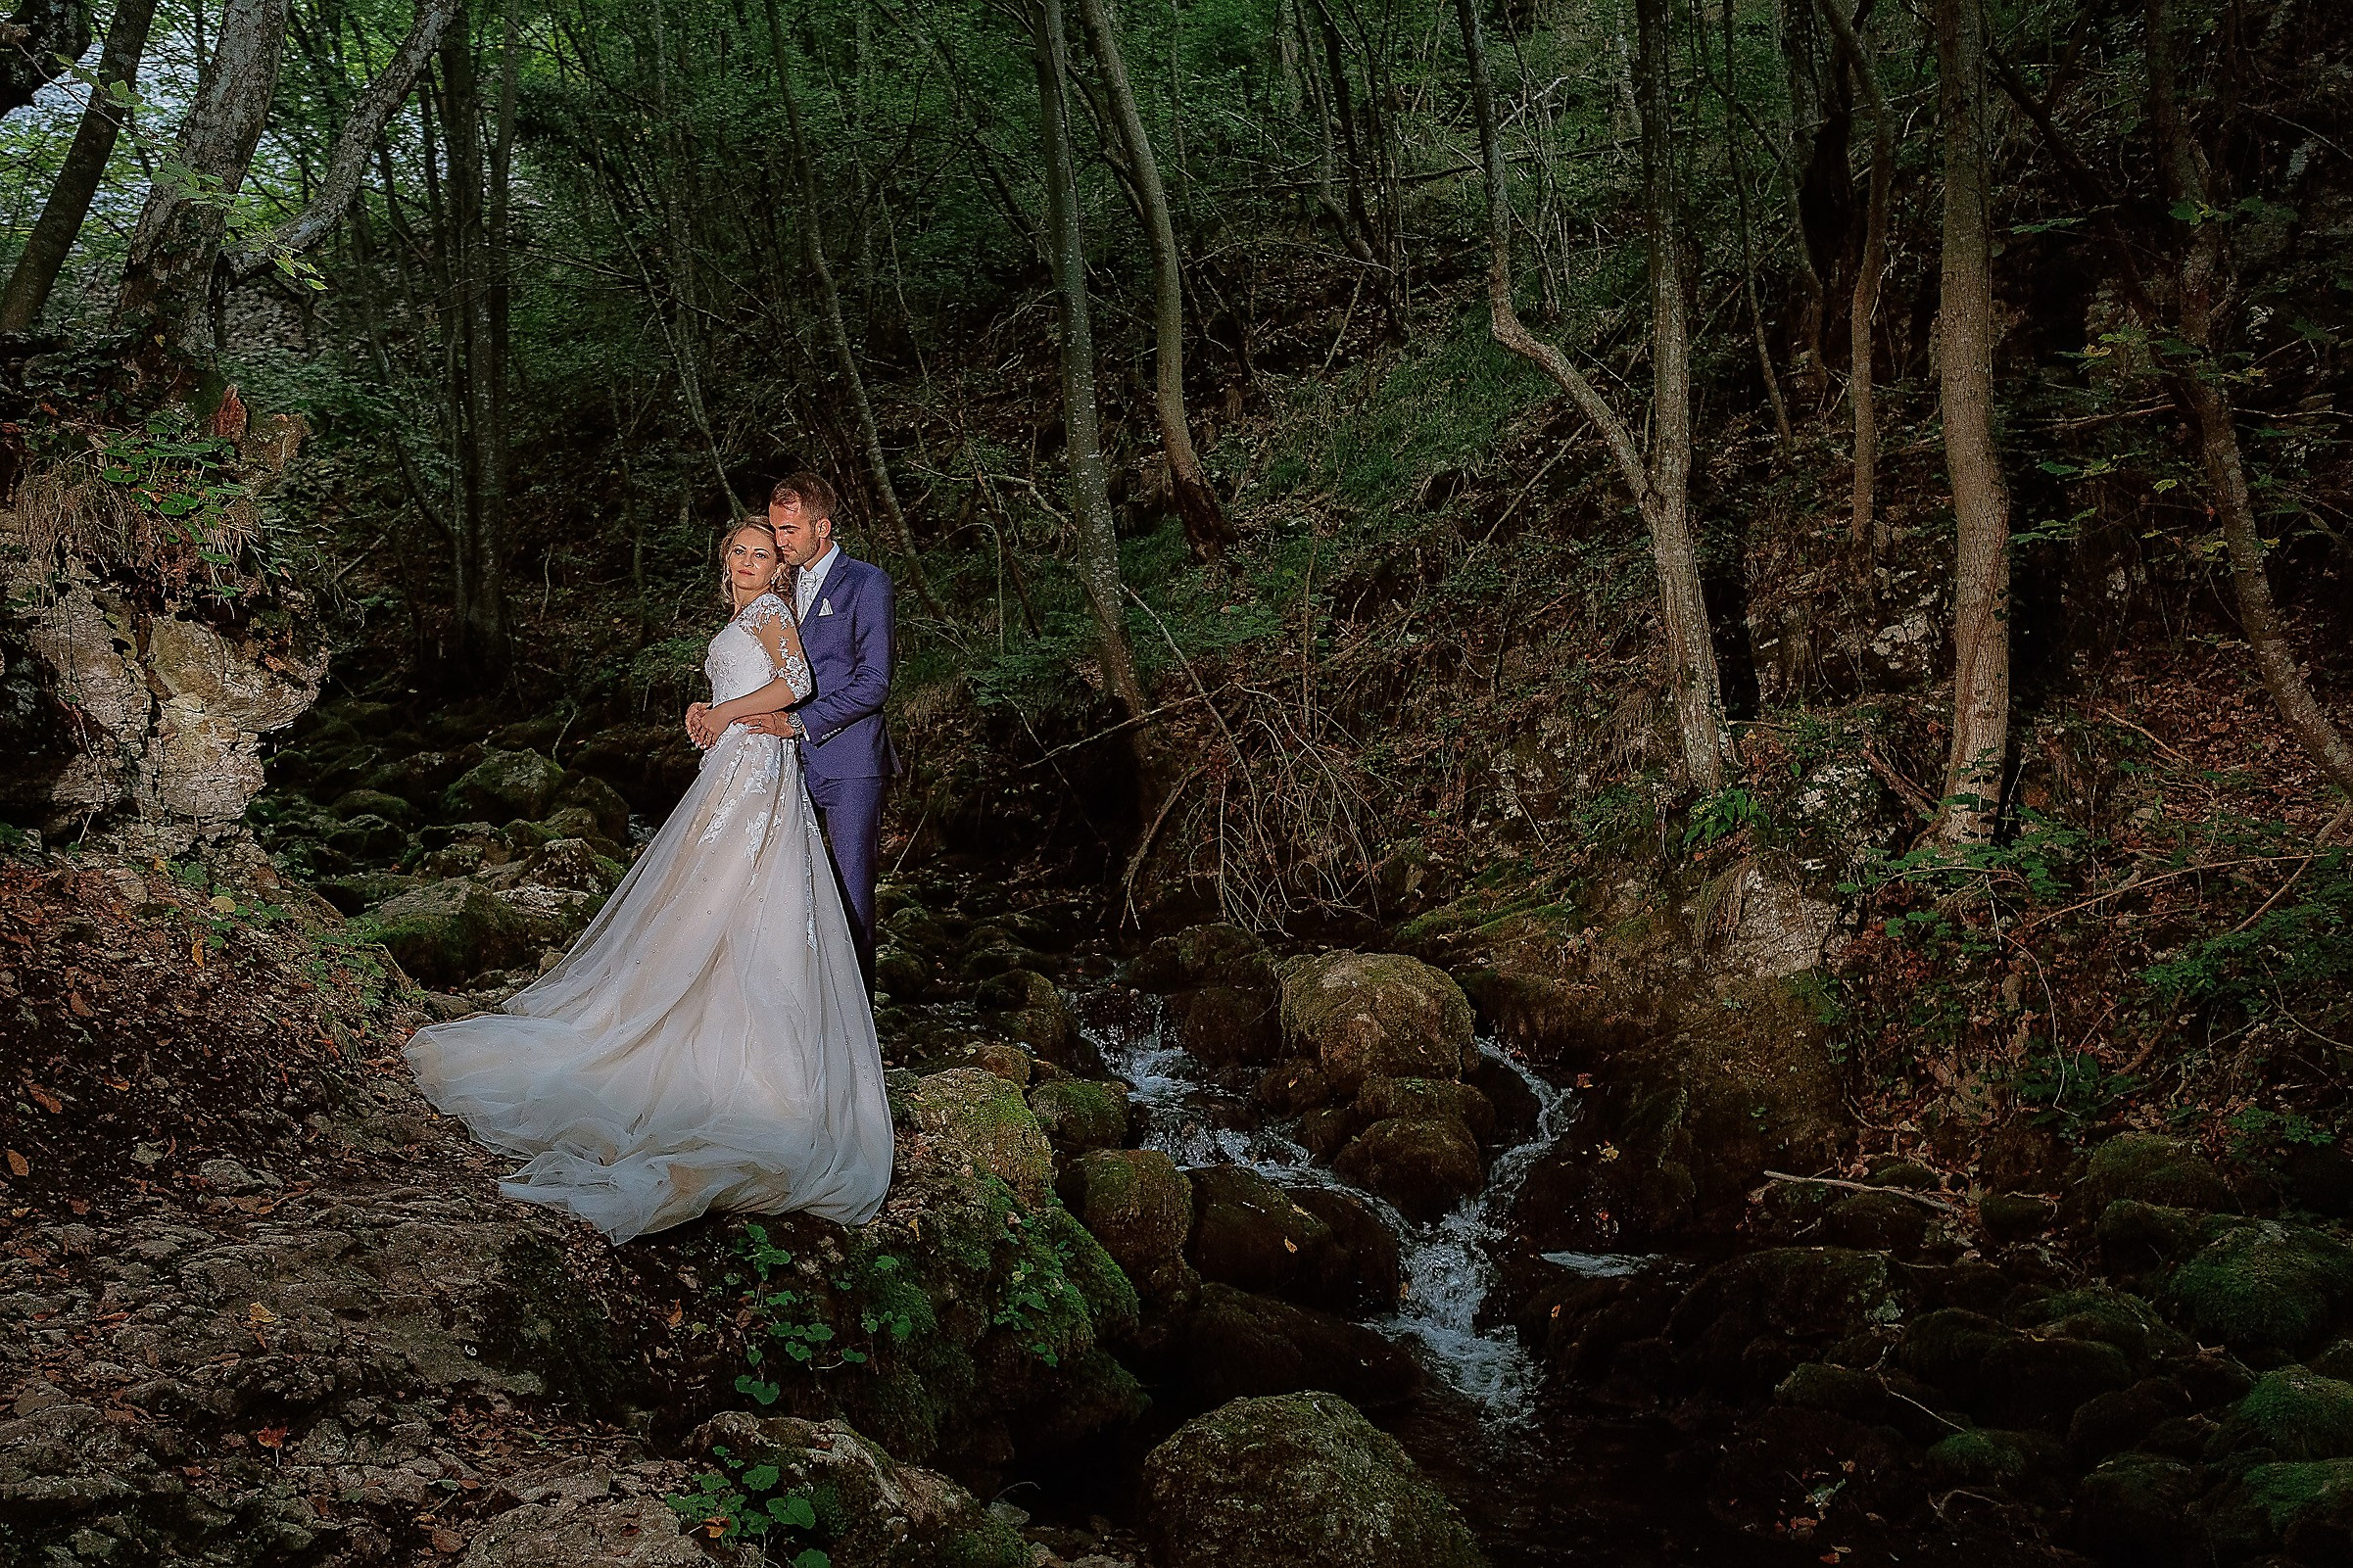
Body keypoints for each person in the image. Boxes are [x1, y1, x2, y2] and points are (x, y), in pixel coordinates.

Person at [403, 518, 892, 1242]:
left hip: (757, 774)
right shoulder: (741, 615)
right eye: (741, 551)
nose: (753, 562)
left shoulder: (770, 612)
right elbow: (747, 681)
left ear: (774, 568)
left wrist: (724, 712)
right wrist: (706, 711)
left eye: (764, 553)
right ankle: (680, 1007)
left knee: (744, 899)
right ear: (725, 560)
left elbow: (797, 684)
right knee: (701, 899)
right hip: (731, 763)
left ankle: (751, 1061)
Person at [741, 474, 897, 993]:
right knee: (789, 888)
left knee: (852, 895)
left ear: (822, 528)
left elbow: (874, 683)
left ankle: (862, 1029)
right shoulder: (778, 586)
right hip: (784, 762)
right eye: (775, 528)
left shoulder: (866, 583)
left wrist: (801, 722)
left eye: (789, 530)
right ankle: (804, 1013)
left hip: (850, 762)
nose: (778, 540)